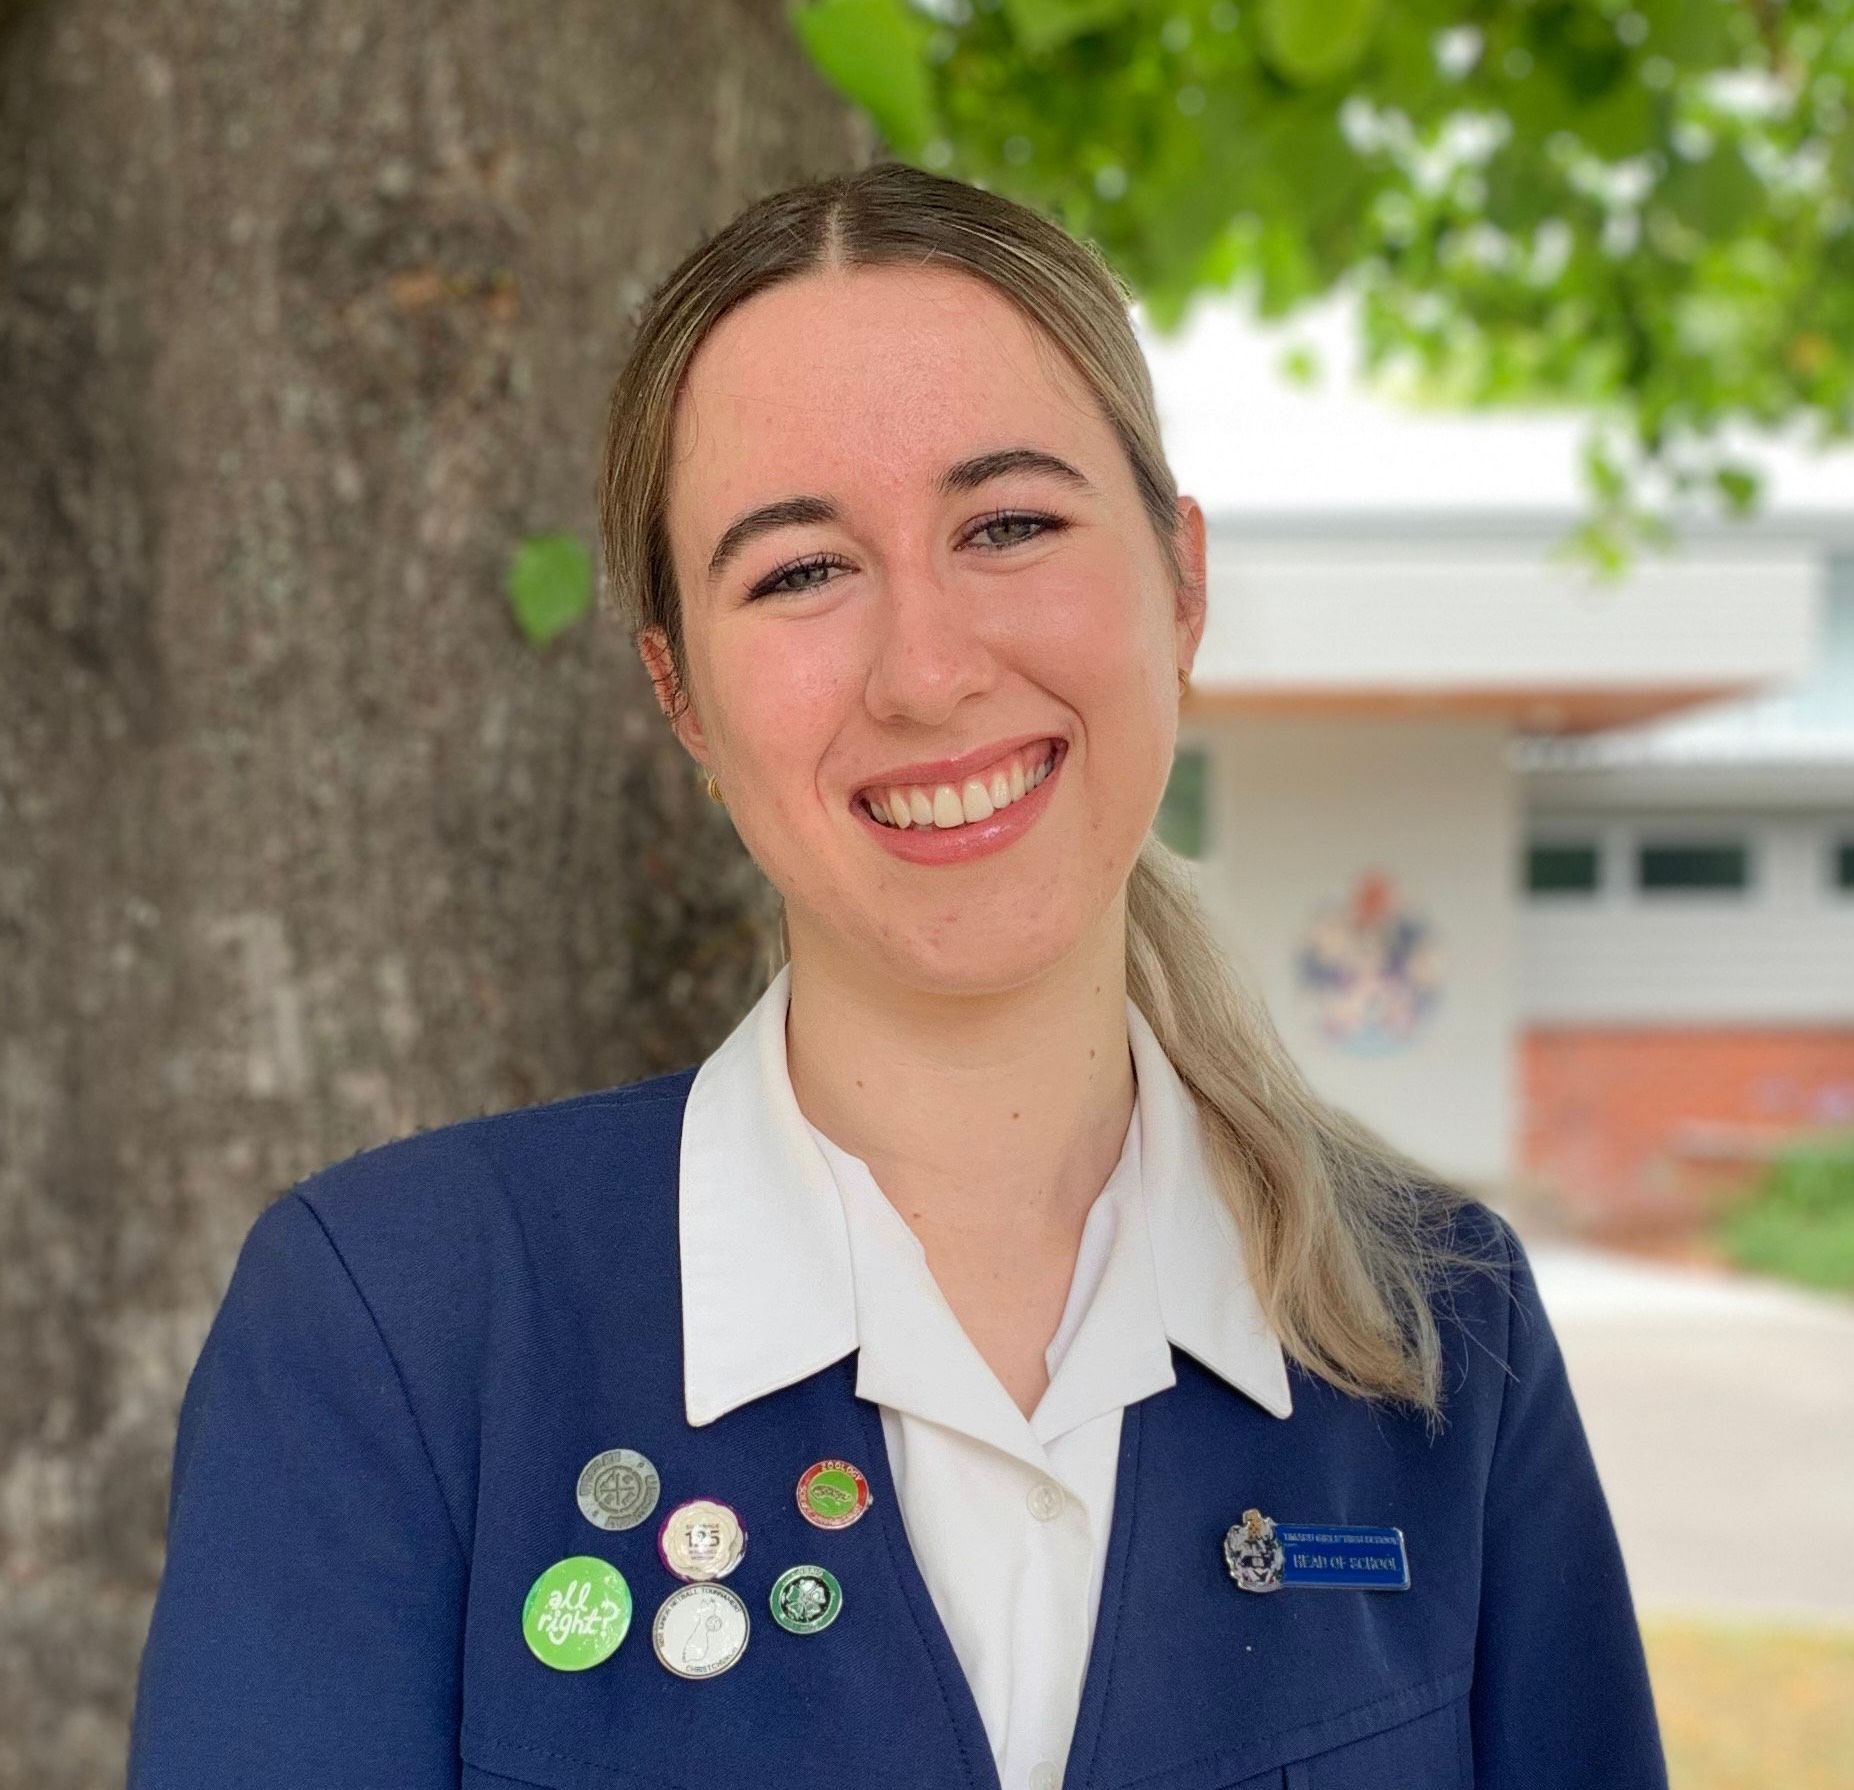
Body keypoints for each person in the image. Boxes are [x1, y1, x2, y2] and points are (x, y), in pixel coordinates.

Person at [127, 161, 1669, 1789]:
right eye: (797, 569)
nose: (929, 670)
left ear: (1181, 583)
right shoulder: (397, 1329)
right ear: (684, 696)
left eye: (1007, 524)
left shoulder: (1441, 1321)